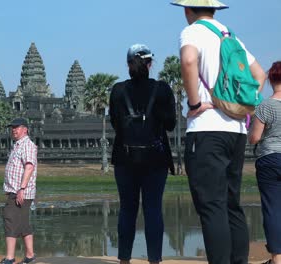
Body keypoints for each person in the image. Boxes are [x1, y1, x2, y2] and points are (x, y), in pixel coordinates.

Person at [171, 0, 266, 263]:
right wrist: (236, 105)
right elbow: (260, 75)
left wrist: (194, 103)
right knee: (231, 204)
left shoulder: (192, 32)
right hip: (236, 131)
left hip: (206, 128)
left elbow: (189, 60)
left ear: (187, 10)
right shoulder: (230, 35)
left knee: (211, 206)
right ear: (215, 10)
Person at [109, 44, 176, 264]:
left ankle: (124, 260)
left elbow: (116, 124)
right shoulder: (162, 89)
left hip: (125, 158)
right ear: (150, 64)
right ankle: (154, 260)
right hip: (155, 160)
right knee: (153, 210)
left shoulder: (118, 90)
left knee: (127, 209)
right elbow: (170, 125)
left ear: (128, 64)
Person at [249, 61, 281, 264]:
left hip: (269, 159)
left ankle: (277, 258)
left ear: (270, 79)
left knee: (272, 209)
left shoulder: (265, 106)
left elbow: (254, 138)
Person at [0, 117, 37, 264]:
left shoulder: (27, 145)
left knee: (10, 220)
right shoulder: (18, 145)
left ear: (25, 129)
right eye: (12, 127)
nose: (14, 130)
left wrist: (21, 188)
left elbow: (29, 166)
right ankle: (30, 255)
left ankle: (10, 258)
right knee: (22, 223)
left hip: (20, 192)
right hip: (17, 191)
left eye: (17, 127)